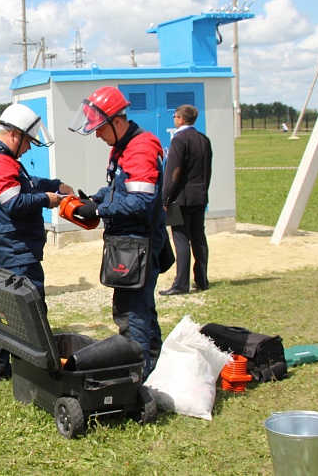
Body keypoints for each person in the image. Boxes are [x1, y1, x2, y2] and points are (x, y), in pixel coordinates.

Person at [0, 103, 73, 381]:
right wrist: (48, 199)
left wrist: (53, 184)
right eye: (28, 142)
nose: (28, 148)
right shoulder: (0, 161)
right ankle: (35, 369)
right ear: (14, 135)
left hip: (5, 244)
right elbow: (14, 202)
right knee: (30, 307)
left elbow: (24, 182)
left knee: (5, 307)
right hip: (16, 248)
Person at [68, 86, 166, 380]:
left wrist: (99, 211)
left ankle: (139, 378)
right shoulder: (123, 146)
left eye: (100, 129)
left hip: (138, 242)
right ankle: (155, 367)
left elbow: (140, 201)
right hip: (129, 240)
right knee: (140, 308)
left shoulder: (140, 148)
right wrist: (96, 199)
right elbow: (118, 188)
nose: (98, 135)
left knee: (132, 312)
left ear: (117, 121)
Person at [159, 105, 213, 295]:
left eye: (175, 116)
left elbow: (174, 172)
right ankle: (202, 279)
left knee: (181, 240)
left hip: (179, 199)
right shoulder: (204, 140)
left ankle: (181, 284)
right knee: (199, 238)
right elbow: (208, 171)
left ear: (181, 119)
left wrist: (165, 197)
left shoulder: (179, 140)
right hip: (199, 197)